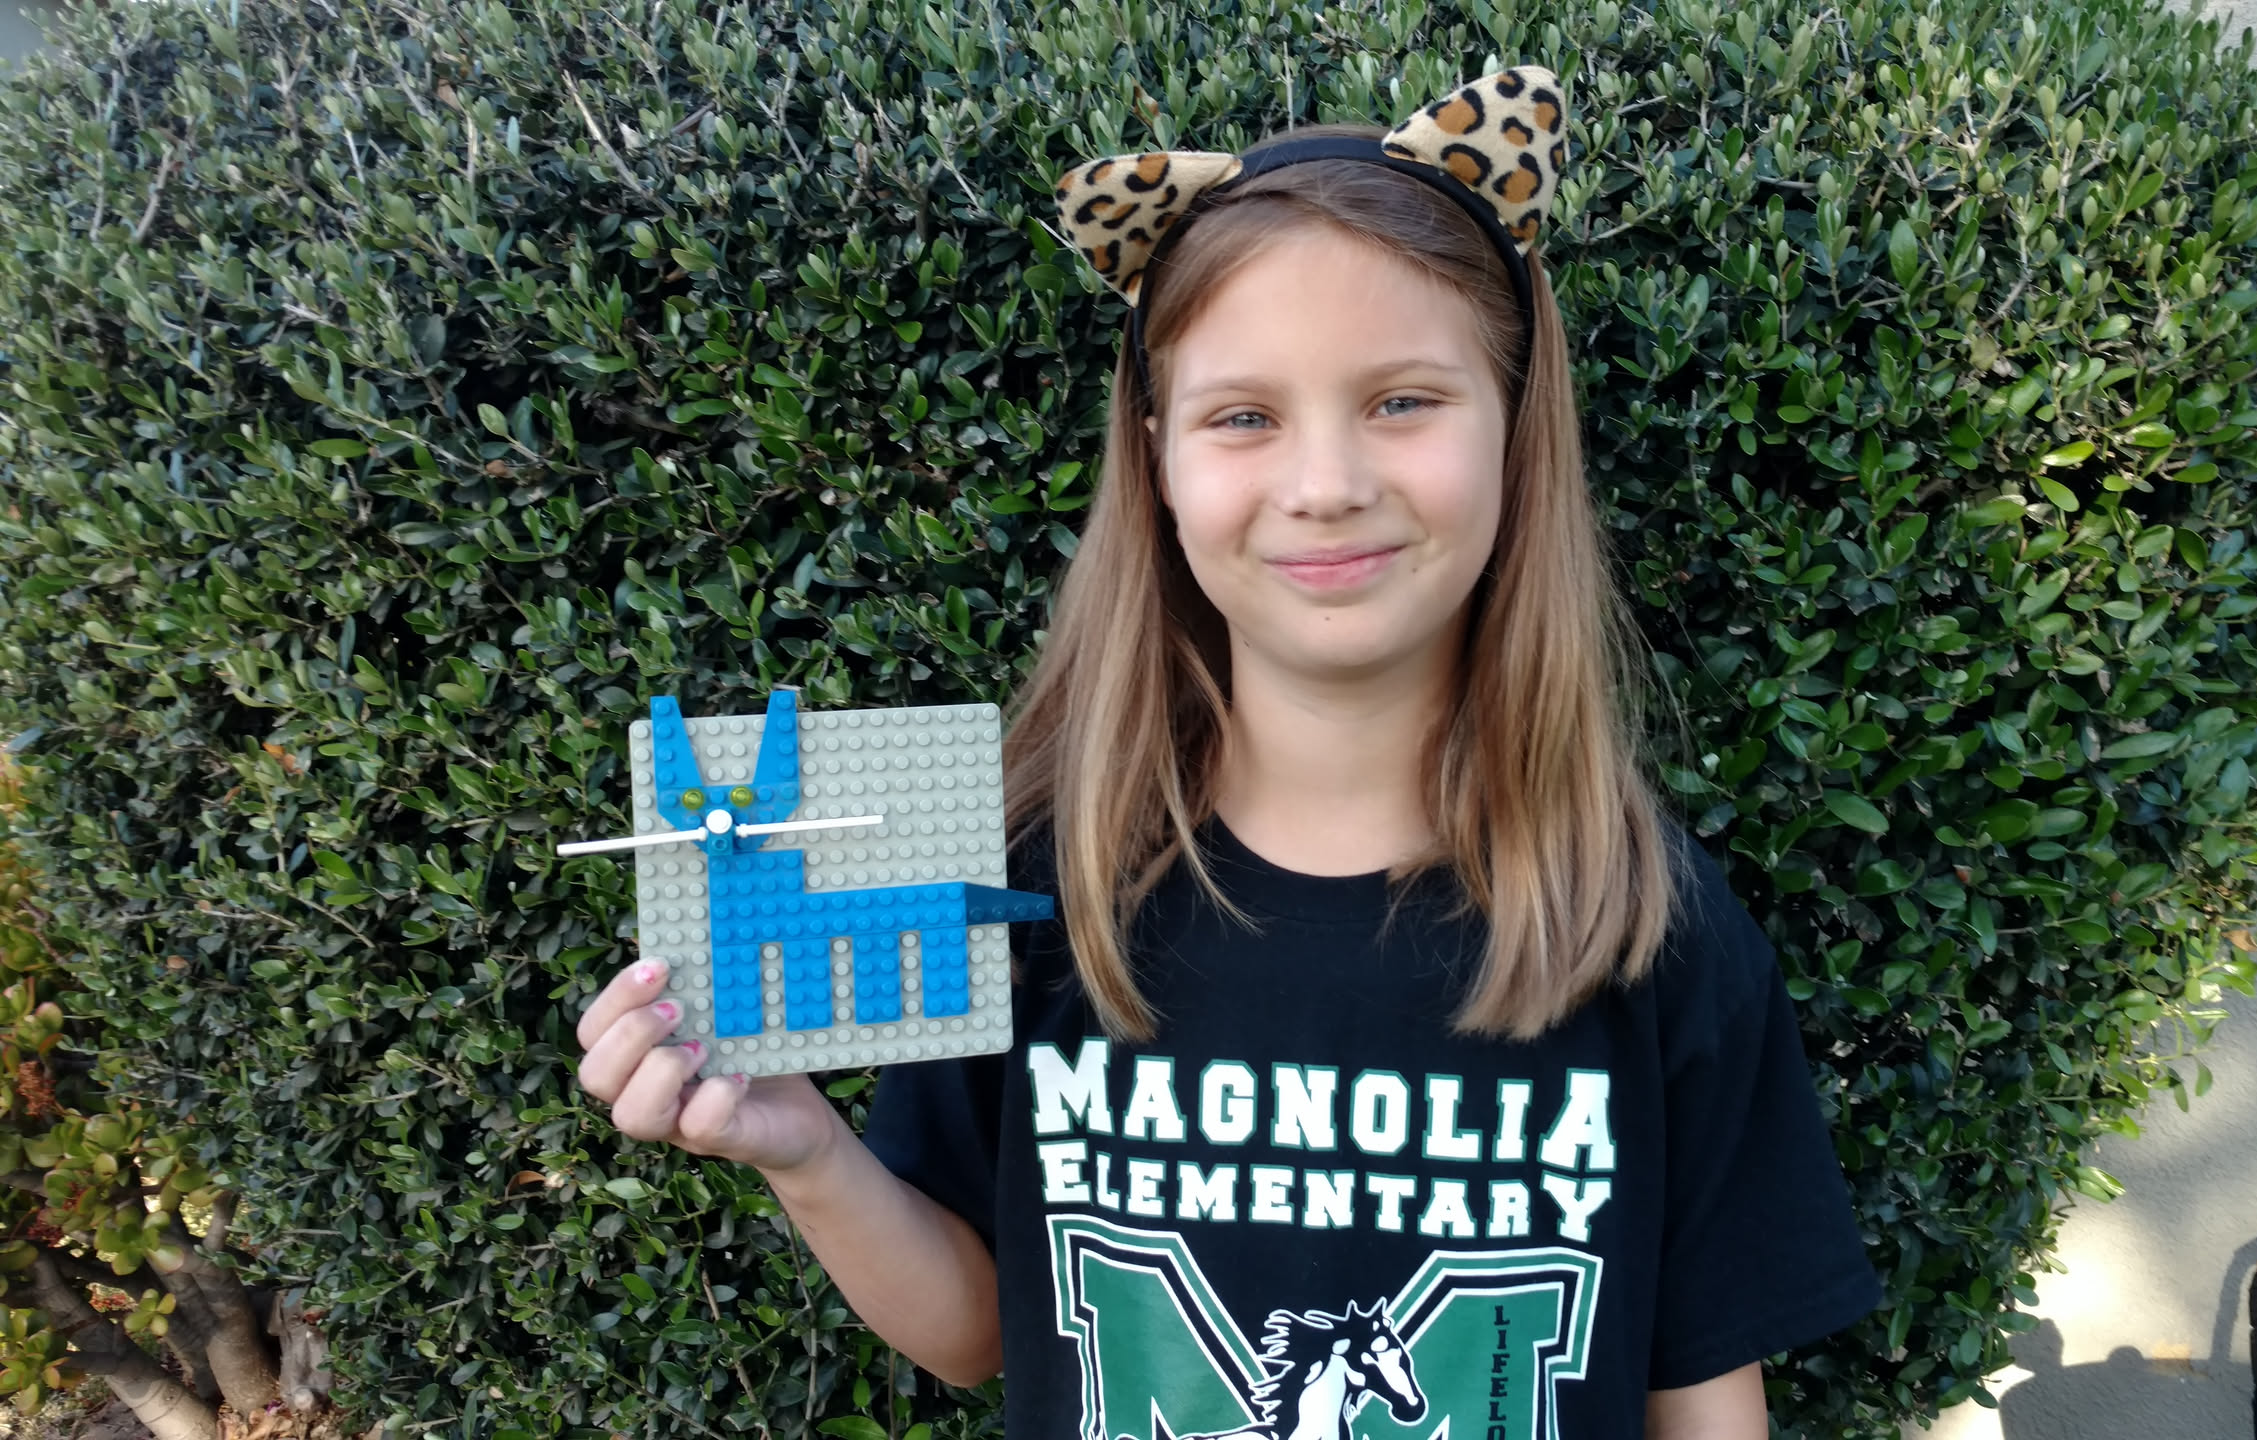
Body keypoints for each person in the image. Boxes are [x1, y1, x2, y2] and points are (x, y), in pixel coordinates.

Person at [575, 63, 1880, 1439]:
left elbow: (1705, 1399)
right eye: (1244, 416)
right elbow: (972, 1331)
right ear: (1157, 458)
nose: (1325, 485)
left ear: (1516, 423)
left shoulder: (1643, 923)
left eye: (1403, 401)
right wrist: (805, 1151)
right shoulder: (1026, 886)